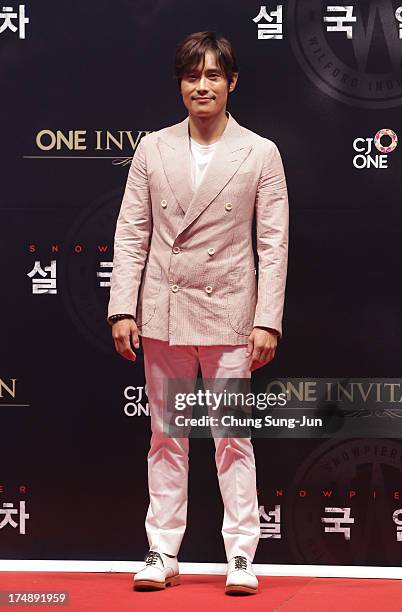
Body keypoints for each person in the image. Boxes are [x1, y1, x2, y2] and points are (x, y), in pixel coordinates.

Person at [107, 30, 289, 596]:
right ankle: (162, 550)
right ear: (181, 84)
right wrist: (121, 308)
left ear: (231, 83)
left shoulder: (260, 152)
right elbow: (132, 234)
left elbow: (274, 244)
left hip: (232, 312)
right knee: (166, 435)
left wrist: (267, 320)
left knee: (232, 437)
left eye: (213, 75)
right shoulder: (152, 149)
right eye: (192, 75)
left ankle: (241, 555)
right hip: (164, 311)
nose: (202, 85)